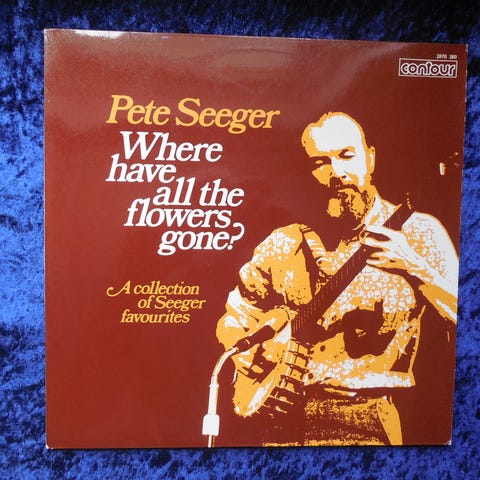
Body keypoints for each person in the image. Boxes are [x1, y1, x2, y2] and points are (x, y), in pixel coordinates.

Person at [216, 112, 458, 446]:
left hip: (364, 421)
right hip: (282, 423)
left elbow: (465, 318)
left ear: (370, 158)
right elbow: (235, 317)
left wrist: (416, 267)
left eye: (346, 155)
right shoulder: (285, 241)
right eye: (320, 163)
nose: (337, 173)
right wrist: (253, 357)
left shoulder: (417, 232)